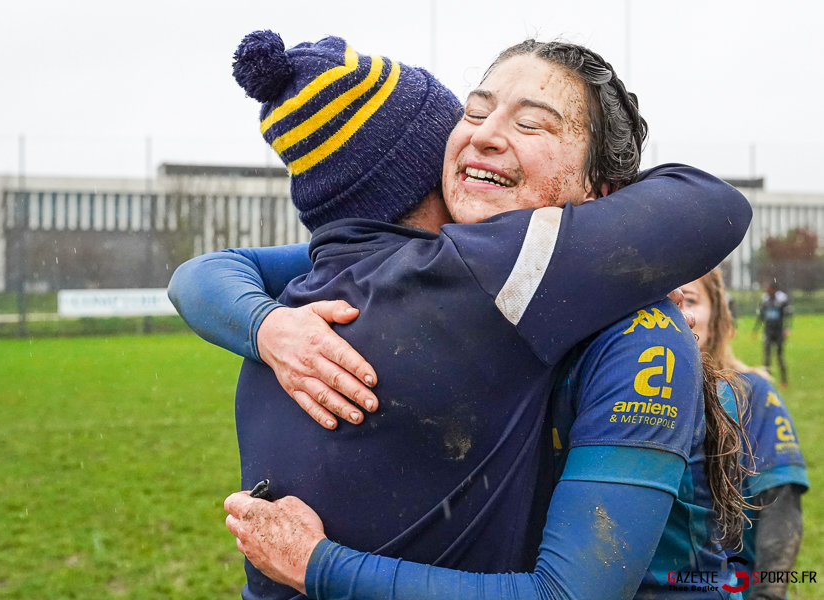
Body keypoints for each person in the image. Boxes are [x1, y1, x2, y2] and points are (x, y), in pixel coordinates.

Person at [170, 33, 752, 599]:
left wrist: (263, 325)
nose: (486, 136)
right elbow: (712, 203)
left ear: (604, 199)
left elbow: (204, 272)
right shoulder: (468, 271)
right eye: (472, 114)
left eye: (530, 124)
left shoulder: (618, 326)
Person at [683, 271, 808, 600]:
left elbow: (780, 505)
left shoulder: (750, 395)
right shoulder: (620, 401)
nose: (680, 311)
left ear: (718, 316)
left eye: (691, 299)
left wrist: (766, 594)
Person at [753, 281, 792, 386]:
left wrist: (787, 328)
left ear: (773, 289)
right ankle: (767, 380)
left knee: (780, 356)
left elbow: (788, 315)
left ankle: (784, 380)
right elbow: (761, 315)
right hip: (768, 331)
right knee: (767, 357)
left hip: (779, 331)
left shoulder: (781, 300)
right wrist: (755, 329)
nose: (766, 290)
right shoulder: (765, 300)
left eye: (768, 288)